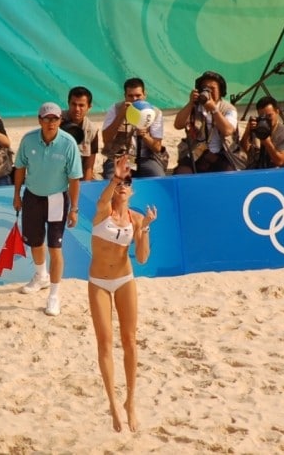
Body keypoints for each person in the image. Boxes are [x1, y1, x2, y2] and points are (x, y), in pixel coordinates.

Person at [88, 154, 157, 432]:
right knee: (105, 343)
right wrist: (115, 177)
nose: (123, 186)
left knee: (130, 341)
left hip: (125, 279)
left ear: (133, 189)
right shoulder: (103, 211)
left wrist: (147, 227)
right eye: (120, 182)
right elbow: (103, 200)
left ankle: (130, 401)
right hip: (99, 282)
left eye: (128, 182)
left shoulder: (136, 218)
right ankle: (113, 404)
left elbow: (141, 258)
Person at [13, 102, 83, 317]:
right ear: (40, 120)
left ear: (60, 120)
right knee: (35, 242)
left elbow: (74, 179)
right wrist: (16, 194)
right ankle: (40, 275)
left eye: (55, 118)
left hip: (56, 200)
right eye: (47, 118)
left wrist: (74, 209)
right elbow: (20, 168)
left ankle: (54, 295)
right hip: (32, 197)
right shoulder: (28, 140)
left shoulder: (68, 143)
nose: (51, 122)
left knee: (55, 248)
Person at [173, 70, 245, 174]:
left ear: (220, 91)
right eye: (205, 88)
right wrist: (190, 103)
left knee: (229, 174)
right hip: (196, 152)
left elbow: (228, 131)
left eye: (213, 88)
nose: (209, 92)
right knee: (183, 173)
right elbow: (178, 125)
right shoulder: (195, 107)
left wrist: (214, 109)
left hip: (223, 153)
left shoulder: (229, 109)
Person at [102, 78, 166, 179]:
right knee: (112, 179)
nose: (134, 99)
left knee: (159, 177)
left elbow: (157, 147)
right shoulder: (115, 109)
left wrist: (145, 136)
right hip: (119, 157)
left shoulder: (155, 112)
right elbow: (106, 139)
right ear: (125, 96)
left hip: (146, 158)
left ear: (145, 95)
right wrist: (121, 116)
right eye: (130, 96)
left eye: (138, 95)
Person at [240, 95, 284, 169]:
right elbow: (243, 149)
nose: (266, 120)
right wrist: (248, 130)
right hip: (253, 170)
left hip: (274, 173)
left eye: (269, 116)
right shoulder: (257, 127)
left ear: (277, 112)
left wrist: (267, 142)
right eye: (262, 117)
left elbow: (280, 161)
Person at [60, 86, 99, 180]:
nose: (77, 109)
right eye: (73, 104)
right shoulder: (55, 121)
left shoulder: (92, 130)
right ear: (68, 103)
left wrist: (86, 187)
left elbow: (88, 167)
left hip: (77, 176)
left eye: (81, 105)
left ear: (89, 107)